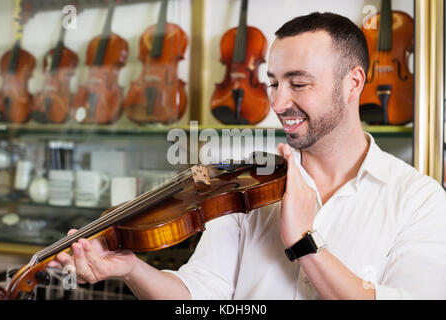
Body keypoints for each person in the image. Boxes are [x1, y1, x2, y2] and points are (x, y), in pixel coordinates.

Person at [48, 12, 446, 300]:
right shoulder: (247, 188)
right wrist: (133, 269)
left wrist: (305, 243)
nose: (277, 102)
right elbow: (199, 298)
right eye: (273, 82)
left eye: (299, 83)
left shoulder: (421, 202)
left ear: (353, 82)